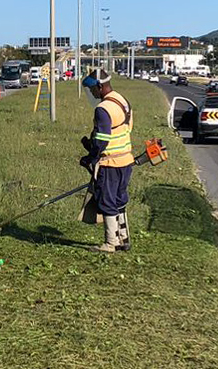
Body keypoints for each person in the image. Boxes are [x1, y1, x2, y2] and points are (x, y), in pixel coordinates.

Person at [79, 69, 134, 253]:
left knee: (107, 201)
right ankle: (123, 238)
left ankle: (111, 243)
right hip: (126, 160)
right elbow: (125, 129)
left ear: (100, 86)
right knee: (119, 199)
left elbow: (102, 140)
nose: (93, 94)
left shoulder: (103, 109)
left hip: (110, 163)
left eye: (93, 90)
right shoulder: (122, 100)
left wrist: (90, 157)